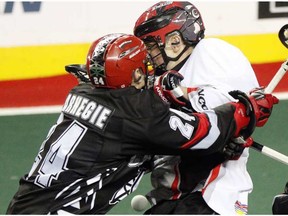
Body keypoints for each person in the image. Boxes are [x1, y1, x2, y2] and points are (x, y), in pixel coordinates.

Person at [6, 33, 275, 214]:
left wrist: (167, 93)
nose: (149, 70)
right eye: (143, 67)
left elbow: (135, 120)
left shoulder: (83, 91)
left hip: (26, 205)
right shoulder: (137, 116)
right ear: (134, 73)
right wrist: (245, 109)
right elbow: (202, 132)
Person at [134, 1, 279, 214]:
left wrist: (177, 96)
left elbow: (239, 109)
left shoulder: (213, 53)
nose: (148, 55)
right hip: (173, 196)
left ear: (175, 40)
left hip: (212, 195)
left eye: (152, 46)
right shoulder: (159, 78)